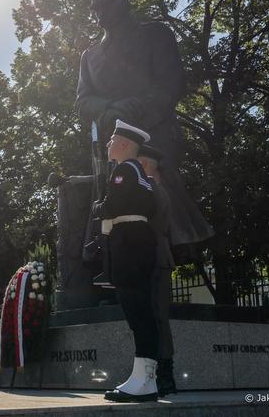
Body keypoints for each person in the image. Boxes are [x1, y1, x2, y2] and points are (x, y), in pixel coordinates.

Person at [76, 0, 213, 248]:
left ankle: (180, 238)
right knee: (114, 213)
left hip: (155, 134)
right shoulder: (89, 57)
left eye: (103, 4)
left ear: (122, 0)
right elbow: (82, 103)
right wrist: (111, 108)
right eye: (94, 7)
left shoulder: (155, 34)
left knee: (160, 201)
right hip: (113, 144)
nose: (98, 12)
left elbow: (170, 84)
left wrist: (136, 111)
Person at [92, 120, 160, 402]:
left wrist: (98, 205)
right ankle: (144, 378)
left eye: (111, 141)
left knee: (136, 310)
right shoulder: (140, 173)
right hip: (138, 239)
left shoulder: (124, 170)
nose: (108, 145)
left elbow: (113, 206)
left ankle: (144, 381)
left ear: (122, 144)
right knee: (140, 310)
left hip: (128, 241)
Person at [137, 143, 177, 397]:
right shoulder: (153, 188)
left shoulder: (150, 187)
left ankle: (164, 376)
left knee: (157, 318)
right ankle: (157, 376)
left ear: (143, 165)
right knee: (153, 317)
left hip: (154, 258)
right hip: (151, 257)